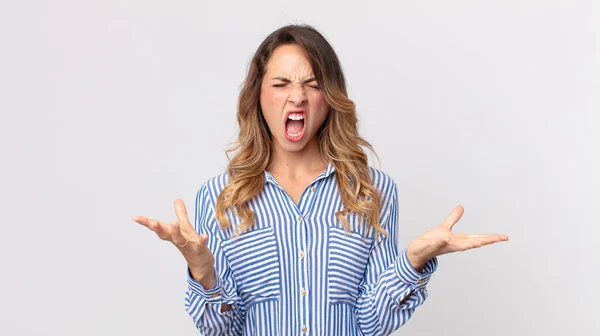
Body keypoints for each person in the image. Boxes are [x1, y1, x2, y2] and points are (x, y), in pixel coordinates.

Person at [133, 24, 508, 335]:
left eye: (312, 84)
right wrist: (204, 272)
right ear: (258, 96)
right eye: (281, 84)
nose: (297, 97)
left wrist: (411, 262)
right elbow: (224, 329)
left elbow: (370, 323)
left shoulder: (372, 191)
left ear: (329, 98)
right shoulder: (220, 196)